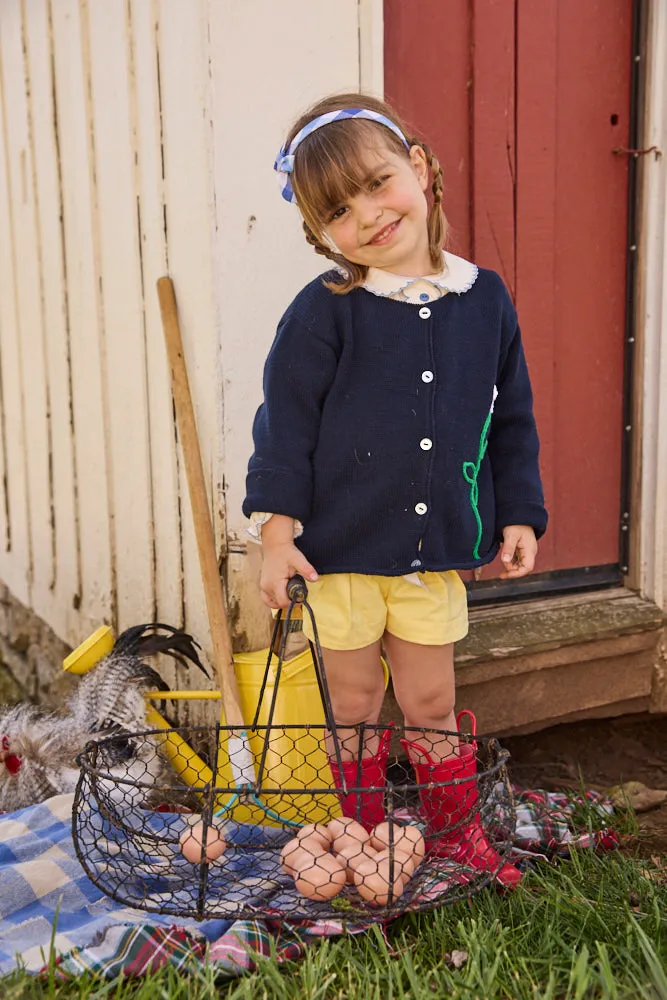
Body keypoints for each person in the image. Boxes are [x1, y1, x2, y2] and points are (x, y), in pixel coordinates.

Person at [243, 94, 547, 888]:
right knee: (349, 705)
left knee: (430, 701)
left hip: (429, 556)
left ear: (417, 168)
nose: (369, 215)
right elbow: (284, 428)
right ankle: (363, 837)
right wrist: (277, 537)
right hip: (338, 558)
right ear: (319, 235)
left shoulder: (485, 300)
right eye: (339, 211)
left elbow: (509, 416)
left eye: (379, 183)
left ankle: (450, 835)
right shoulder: (324, 314)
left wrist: (519, 510)